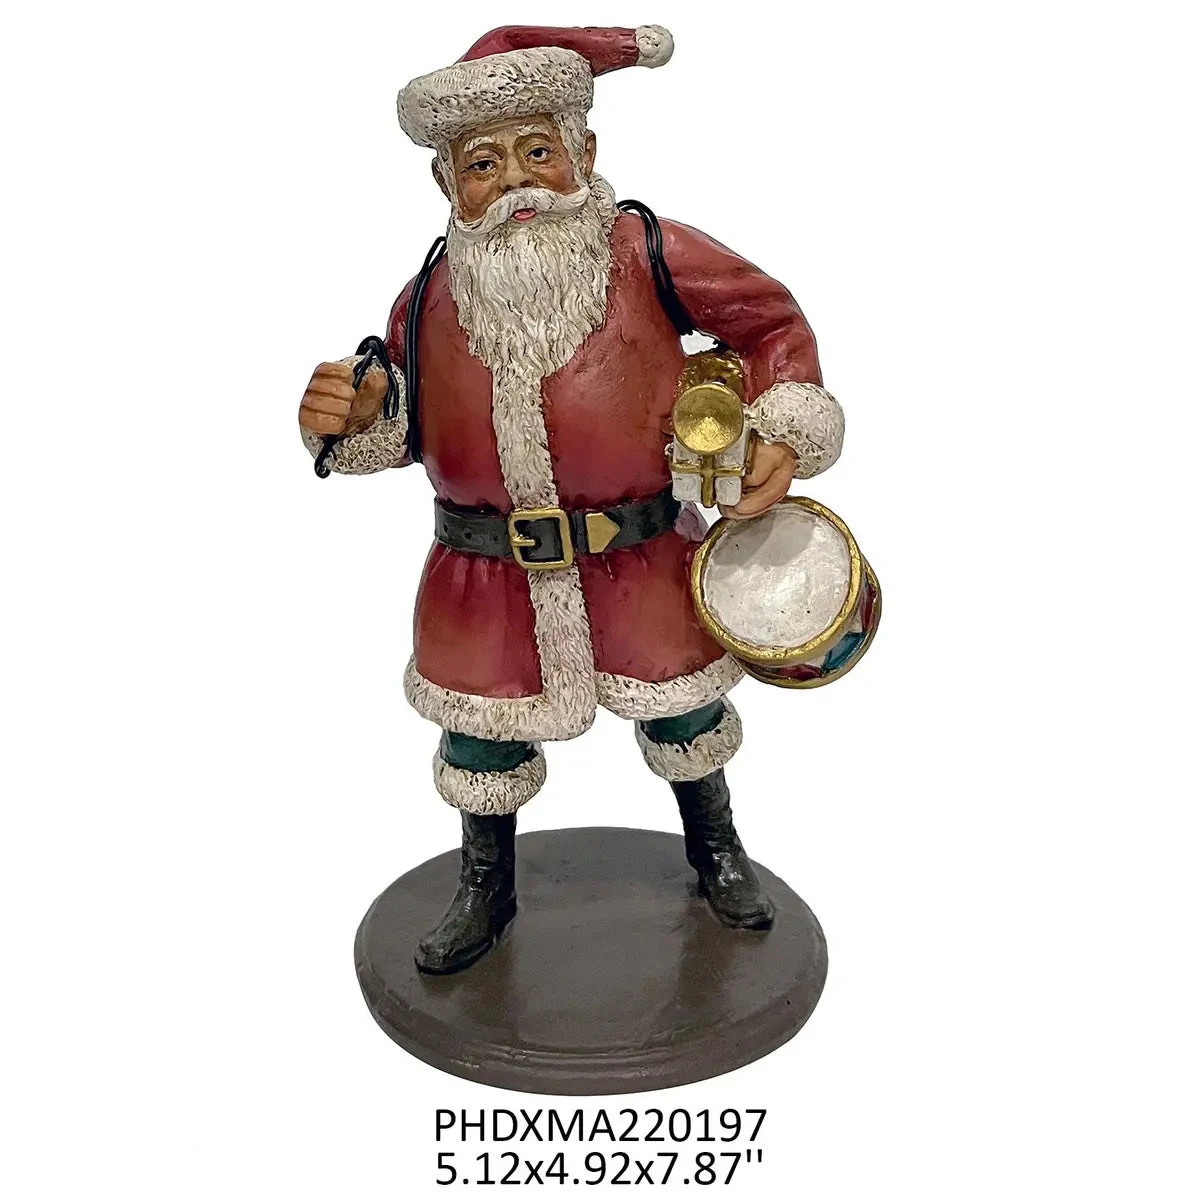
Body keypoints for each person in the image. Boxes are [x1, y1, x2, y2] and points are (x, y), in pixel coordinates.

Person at [298, 26, 845, 974]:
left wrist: (783, 429)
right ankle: (486, 885)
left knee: (685, 713)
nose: (516, 181)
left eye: (537, 151)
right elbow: (404, 416)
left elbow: (770, 325)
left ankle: (716, 848)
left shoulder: (647, 250)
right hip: (484, 574)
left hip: (642, 555)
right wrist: (350, 416)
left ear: (584, 151)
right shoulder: (427, 295)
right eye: (483, 163)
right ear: (445, 183)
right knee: (479, 737)